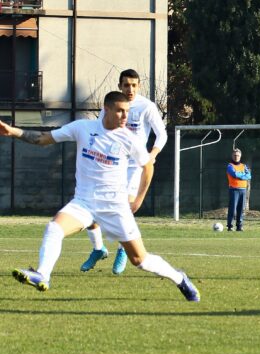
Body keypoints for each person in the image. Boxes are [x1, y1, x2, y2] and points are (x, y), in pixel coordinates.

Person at [0, 91, 199, 302]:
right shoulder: (83, 128)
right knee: (54, 228)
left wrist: (139, 198)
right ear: (106, 109)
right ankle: (43, 275)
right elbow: (43, 139)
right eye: (120, 111)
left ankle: (179, 278)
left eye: (128, 112)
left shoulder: (129, 139)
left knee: (140, 260)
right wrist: (11, 131)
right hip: (83, 202)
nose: (125, 116)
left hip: (115, 206)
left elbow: (147, 166)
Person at [81, 69, 168, 275]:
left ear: (139, 86)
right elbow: (99, 130)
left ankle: (122, 250)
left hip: (132, 168)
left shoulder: (147, 106)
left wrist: (152, 154)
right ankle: (98, 249)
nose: (130, 89)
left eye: (134, 85)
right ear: (120, 86)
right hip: (108, 164)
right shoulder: (110, 107)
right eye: (126, 85)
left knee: (124, 208)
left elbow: (161, 134)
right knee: (89, 205)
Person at [226, 148, 252, 231]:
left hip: (243, 190)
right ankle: (230, 226)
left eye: (237, 155)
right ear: (232, 156)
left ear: (240, 156)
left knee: (241, 209)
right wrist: (243, 176)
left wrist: (240, 176)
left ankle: (239, 226)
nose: (236, 157)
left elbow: (249, 176)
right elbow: (234, 174)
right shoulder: (230, 166)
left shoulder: (243, 166)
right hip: (234, 190)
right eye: (234, 155)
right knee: (233, 209)